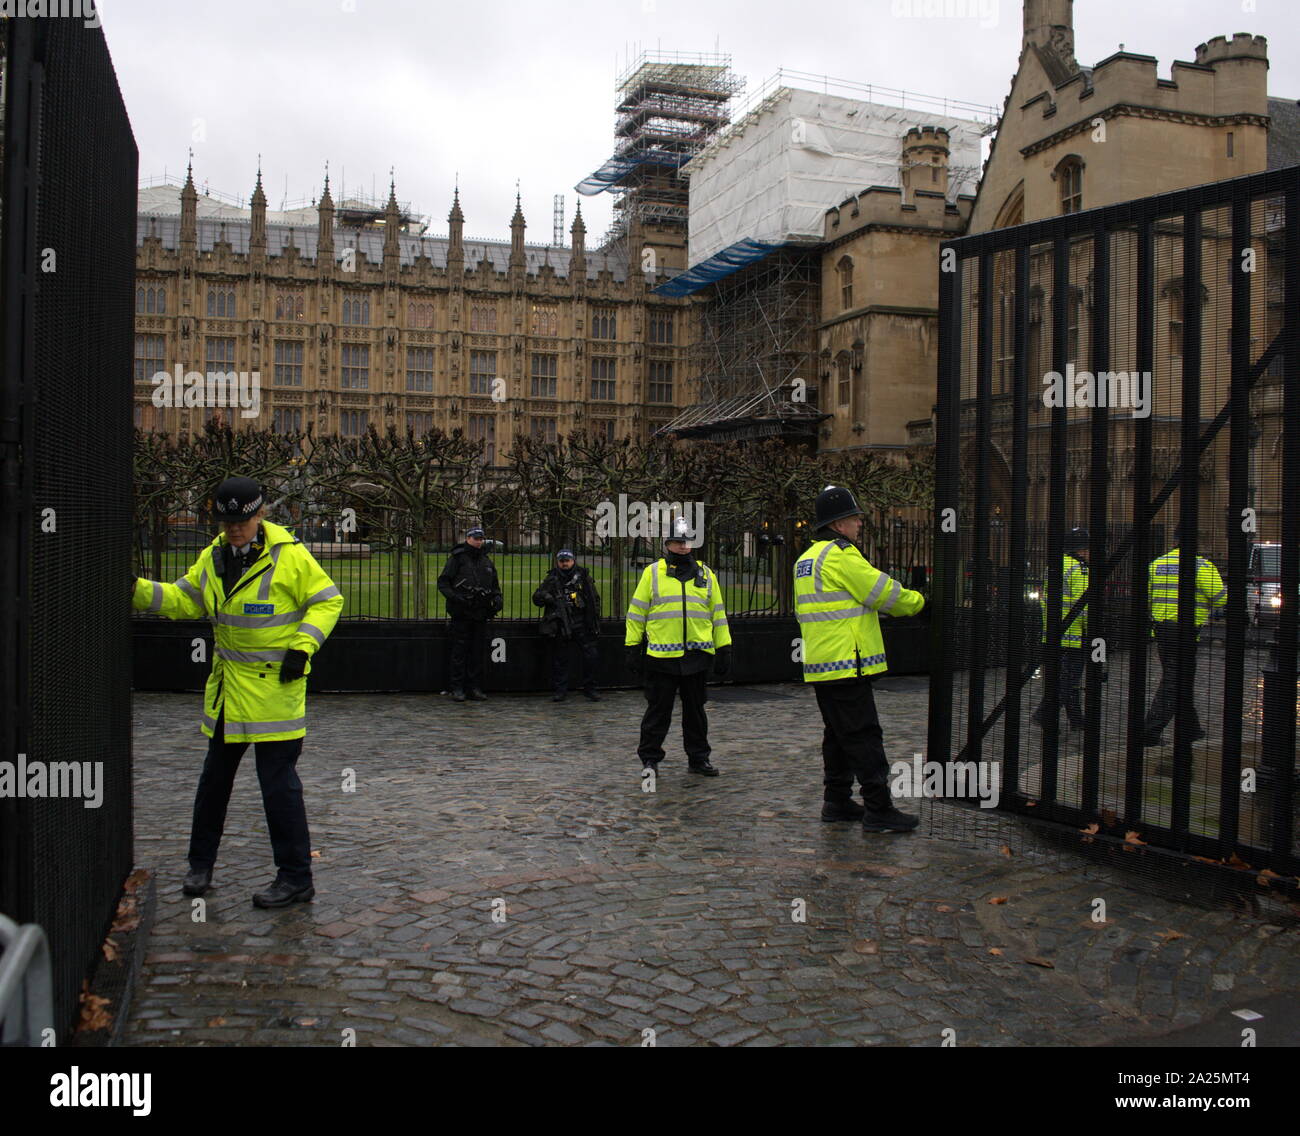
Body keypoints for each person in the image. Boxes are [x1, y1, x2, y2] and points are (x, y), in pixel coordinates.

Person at [131, 475, 343, 907]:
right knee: (213, 784)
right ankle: (200, 865)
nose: (233, 529)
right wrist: (132, 589)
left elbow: (328, 600)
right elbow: (183, 599)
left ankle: (296, 877)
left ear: (260, 514)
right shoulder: (213, 555)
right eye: (226, 521)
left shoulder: (291, 556)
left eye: (241, 521)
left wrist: (302, 646)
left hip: (273, 693)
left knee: (278, 789)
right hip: (229, 691)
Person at [795, 486, 925, 831]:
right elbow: (883, 592)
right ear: (838, 525)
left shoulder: (806, 559)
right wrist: (920, 602)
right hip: (847, 661)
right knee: (864, 734)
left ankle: (836, 801)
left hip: (823, 663)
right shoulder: (840, 555)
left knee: (838, 735)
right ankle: (879, 808)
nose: (858, 525)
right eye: (854, 518)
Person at [625, 517, 731, 776]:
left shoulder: (706, 574)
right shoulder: (652, 573)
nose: (684, 547)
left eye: (687, 542)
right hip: (662, 656)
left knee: (696, 713)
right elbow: (637, 612)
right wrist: (632, 645)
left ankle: (698, 758)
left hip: (697, 654)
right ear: (668, 543)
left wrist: (724, 646)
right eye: (678, 542)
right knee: (657, 712)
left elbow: (717, 613)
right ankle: (650, 759)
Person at [1142, 525, 1227, 746]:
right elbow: (1220, 598)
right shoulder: (1201, 565)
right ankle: (1149, 731)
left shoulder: (1157, 564)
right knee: (1174, 680)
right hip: (1185, 632)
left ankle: (1191, 729)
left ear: (1174, 540)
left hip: (1162, 630)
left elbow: (1146, 598)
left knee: (1178, 679)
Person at [1033, 528, 1090, 732]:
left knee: (1063, 678)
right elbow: (1083, 605)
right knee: (1069, 680)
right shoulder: (1079, 569)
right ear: (1082, 550)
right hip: (1073, 635)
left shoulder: (1055, 565)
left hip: (1052, 632)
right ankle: (1044, 714)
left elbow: (1044, 599)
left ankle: (1076, 719)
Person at [437, 526, 503, 701]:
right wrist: (456, 598)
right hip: (461, 612)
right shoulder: (457, 558)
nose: (479, 541)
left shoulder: (486, 561)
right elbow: (443, 583)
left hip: (481, 612)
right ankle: (457, 688)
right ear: (468, 538)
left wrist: (497, 598)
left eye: (481, 539)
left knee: (477, 652)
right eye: (476, 538)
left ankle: (474, 687)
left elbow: (495, 585)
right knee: (459, 651)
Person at [534, 548, 602, 702]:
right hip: (561, 624)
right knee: (561, 658)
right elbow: (537, 597)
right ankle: (560, 690)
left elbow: (594, 598)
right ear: (558, 562)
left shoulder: (583, 577)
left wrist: (593, 619)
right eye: (562, 561)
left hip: (582, 622)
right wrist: (547, 597)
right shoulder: (552, 578)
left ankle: (590, 688)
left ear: (573, 561)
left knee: (590, 656)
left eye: (567, 561)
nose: (564, 564)